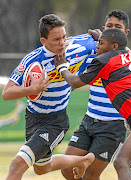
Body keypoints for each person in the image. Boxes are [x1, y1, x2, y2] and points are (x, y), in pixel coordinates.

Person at [54, 28, 131, 180]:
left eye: (101, 43)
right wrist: (103, 40)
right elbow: (122, 50)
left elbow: (74, 82)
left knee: (121, 162)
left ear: (114, 46)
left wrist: (62, 67)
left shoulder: (104, 60)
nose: (97, 46)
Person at [2, 14, 95, 180]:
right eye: (56, 39)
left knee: (17, 164)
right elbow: (7, 93)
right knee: (42, 168)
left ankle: (83, 160)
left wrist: (102, 37)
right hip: (33, 119)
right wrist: (31, 88)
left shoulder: (80, 45)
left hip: (55, 121)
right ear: (43, 41)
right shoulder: (32, 60)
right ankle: (83, 161)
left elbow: (112, 41)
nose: (62, 43)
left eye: (64, 37)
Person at [61, 10, 130, 180]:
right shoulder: (93, 54)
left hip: (112, 126)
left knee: (91, 174)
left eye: (118, 27)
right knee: (68, 169)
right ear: (103, 28)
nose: (113, 29)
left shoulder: (126, 56)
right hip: (90, 120)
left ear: (126, 33)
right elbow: (76, 82)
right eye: (109, 26)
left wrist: (61, 67)